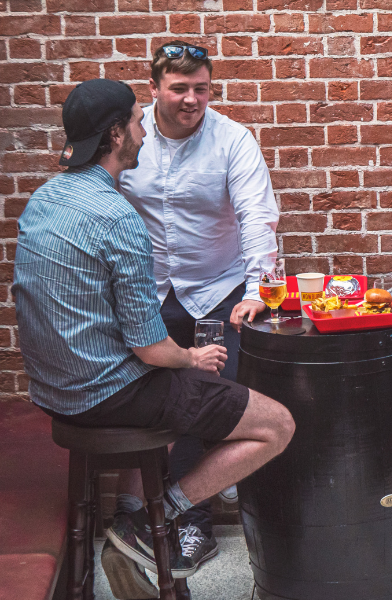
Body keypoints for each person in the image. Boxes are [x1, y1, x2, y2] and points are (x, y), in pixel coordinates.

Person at [13, 79, 294, 589]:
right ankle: (150, 522)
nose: (145, 132)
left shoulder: (44, 200)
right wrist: (193, 358)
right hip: (106, 396)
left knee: (189, 386)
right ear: (117, 134)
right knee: (276, 424)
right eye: (138, 122)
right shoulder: (118, 217)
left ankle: (132, 512)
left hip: (54, 394)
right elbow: (150, 347)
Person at [103, 41, 281, 594]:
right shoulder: (131, 141)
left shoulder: (232, 140)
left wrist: (256, 288)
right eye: (180, 88)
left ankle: (189, 526)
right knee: (163, 404)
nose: (192, 99)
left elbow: (257, 215)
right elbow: (101, 200)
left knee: (205, 406)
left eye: (201, 87)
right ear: (154, 88)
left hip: (220, 290)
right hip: (150, 291)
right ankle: (160, 519)